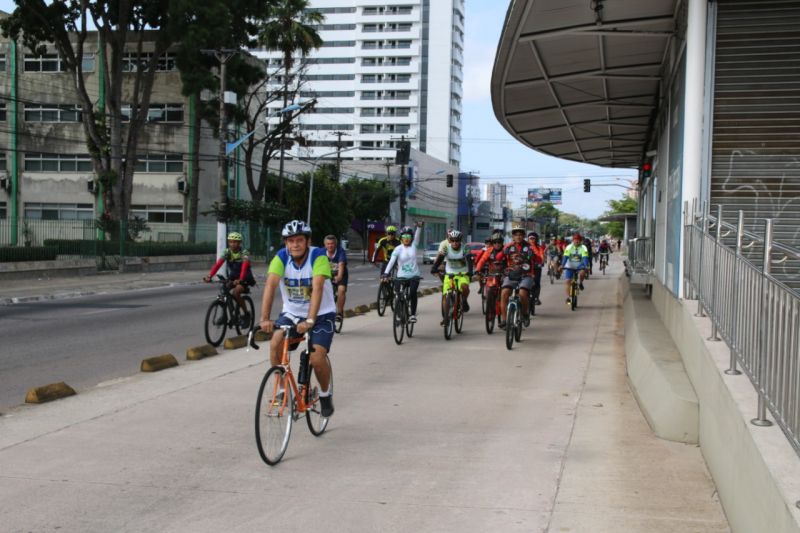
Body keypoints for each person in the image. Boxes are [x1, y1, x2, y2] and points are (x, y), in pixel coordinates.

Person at [259, 220, 335, 418]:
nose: (295, 245)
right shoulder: (281, 258)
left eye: (299, 240)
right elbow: (270, 286)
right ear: (286, 243)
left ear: (307, 241)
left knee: (317, 357)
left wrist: (310, 320)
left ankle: (326, 395)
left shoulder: (318, 256)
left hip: (321, 314)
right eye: (290, 241)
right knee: (276, 341)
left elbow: (317, 288)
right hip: (292, 314)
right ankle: (283, 389)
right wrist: (264, 318)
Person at [203, 231, 255, 327]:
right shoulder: (227, 252)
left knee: (236, 292)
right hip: (233, 276)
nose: (232, 244)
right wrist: (209, 276)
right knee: (224, 290)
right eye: (230, 242)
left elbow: (244, 267)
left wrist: (240, 279)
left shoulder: (244, 253)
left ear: (239, 243)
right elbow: (218, 264)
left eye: (235, 242)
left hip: (245, 277)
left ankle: (246, 314)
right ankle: (224, 315)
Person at [382, 222, 423, 323]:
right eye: (404, 236)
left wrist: (419, 227)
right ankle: (399, 314)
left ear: (411, 237)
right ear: (401, 237)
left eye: (408, 236)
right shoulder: (398, 249)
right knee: (398, 295)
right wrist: (386, 273)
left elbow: (418, 235)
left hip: (414, 276)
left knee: (413, 293)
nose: (406, 238)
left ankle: (412, 314)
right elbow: (391, 262)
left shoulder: (414, 245)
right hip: (401, 276)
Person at [431, 229, 473, 319]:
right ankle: (446, 317)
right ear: (449, 240)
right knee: (446, 294)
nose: (454, 243)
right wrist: (434, 268)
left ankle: (464, 300)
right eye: (452, 240)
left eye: (457, 240)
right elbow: (440, 259)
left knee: (465, 287)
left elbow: (469, 260)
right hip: (450, 272)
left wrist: (470, 271)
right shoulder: (446, 248)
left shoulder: (465, 248)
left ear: (460, 241)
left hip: (462, 272)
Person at [499, 226, 535, 327]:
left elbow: (539, 257)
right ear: (513, 237)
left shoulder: (530, 246)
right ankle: (504, 320)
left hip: (526, 275)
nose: (518, 237)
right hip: (511, 274)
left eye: (520, 235)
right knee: (504, 293)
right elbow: (498, 257)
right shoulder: (508, 247)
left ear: (523, 236)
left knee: (523, 293)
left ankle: (524, 314)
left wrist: (535, 258)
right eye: (516, 235)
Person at [324, 235, 348, 320]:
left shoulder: (340, 251)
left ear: (336, 244)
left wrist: (339, 276)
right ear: (325, 245)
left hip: (340, 273)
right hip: (327, 274)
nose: (330, 246)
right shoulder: (322, 252)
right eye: (328, 244)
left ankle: (339, 312)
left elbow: (341, 264)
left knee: (341, 290)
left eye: (332, 244)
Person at [562, 233, 590, 304]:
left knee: (582, 273)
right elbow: (565, 257)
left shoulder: (583, 247)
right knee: (568, 281)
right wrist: (562, 265)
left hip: (580, 266)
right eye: (575, 240)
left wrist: (586, 265)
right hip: (570, 266)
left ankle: (580, 283)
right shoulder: (569, 247)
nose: (576, 241)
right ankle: (569, 297)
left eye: (578, 240)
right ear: (573, 240)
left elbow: (585, 258)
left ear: (580, 241)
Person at [527, 232, 546, 306]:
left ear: (536, 239)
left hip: (536, 267)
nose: (532, 240)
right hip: (526, 267)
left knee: (537, 282)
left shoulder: (539, 247)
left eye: (533, 238)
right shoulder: (525, 246)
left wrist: (542, 261)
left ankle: (536, 298)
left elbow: (541, 255)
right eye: (530, 238)